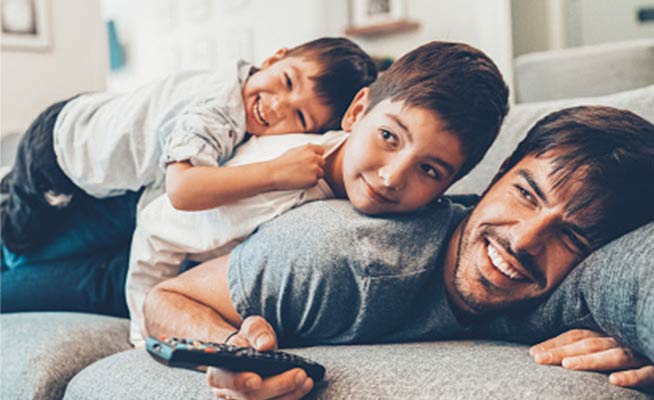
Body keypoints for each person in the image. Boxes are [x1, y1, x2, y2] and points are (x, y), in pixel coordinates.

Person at [143, 106, 654, 399]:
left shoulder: (574, 299)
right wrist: (233, 348)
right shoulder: (336, 255)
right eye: (525, 193)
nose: (523, 241)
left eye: (572, 236)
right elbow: (165, 296)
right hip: (161, 219)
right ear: (494, 179)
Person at [126, 40, 510, 346]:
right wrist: (141, 333)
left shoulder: (415, 221)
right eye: (389, 136)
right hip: (148, 232)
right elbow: (163, 226)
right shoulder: (279, 162)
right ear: (357, 112)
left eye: (429, 170)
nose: (392, 177)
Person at [0, 37, 376, 263]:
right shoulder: (217, 111)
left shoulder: (237, 87)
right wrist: (275, 172)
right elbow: (183, 190)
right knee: (22, 232)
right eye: (287, 81)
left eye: (300, 116)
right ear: (275, 57)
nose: (278, 106)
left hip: (84, 117)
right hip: (60, 150)